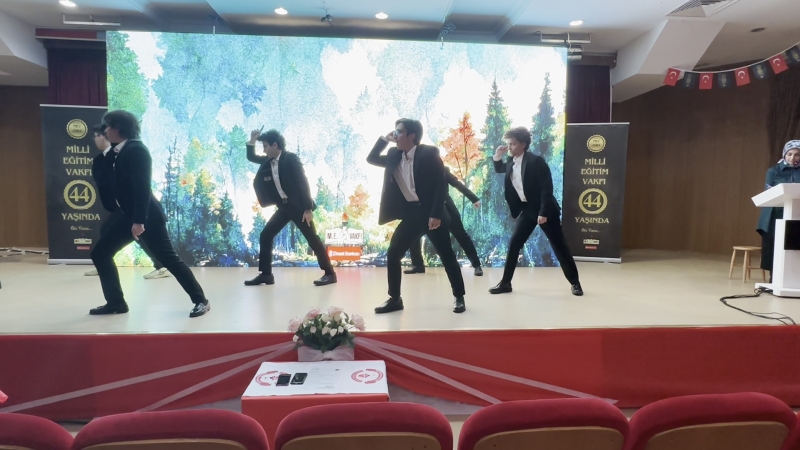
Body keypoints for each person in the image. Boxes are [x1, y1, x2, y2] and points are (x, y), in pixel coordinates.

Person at [89, 110, 210, 317]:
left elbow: (142, 188)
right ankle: (116, 303)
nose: (104, 131)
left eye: (107, 126)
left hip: (147, 217)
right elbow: (104, 178)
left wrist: (139, 221)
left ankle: (201, 301)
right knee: (100, 253)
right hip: (125, 216)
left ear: (119, 128)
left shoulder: (137, 150)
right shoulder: (116, 153)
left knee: (169, 259)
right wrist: (105, 153)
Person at [367, 118, 466, 314]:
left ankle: (459, 297)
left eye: (399, 131)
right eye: (395, 131)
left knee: (446, 255)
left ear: (412, 136)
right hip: (411, 213)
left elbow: (441, 185)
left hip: (431, 213)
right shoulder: (394, 155)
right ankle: (395, 299)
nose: (395, 135)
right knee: (393, 253)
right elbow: (371, 158)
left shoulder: (428, 153)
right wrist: (384, 139)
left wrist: (436, 214)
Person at [489, 126, 583, 296]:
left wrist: (543, 213)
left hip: (546, 209)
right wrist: (497, 156)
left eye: (512, 144)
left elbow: (547, 189)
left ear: (523, 144)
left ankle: (575, 283)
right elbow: (500, 169)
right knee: (514, 244)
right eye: (508, 144)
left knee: (559, 245)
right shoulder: (510, 161)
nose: (509, 147)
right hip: (527, 210)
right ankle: (505, 283)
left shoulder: (535, 161)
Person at [244, 128, 336, 287]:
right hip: (284, 207)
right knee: (266, 235)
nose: (264, 150)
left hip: (299, 208)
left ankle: (330, 274)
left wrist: (308, 209)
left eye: (265, 146)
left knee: (312, 239)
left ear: (275, 145)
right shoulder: (267, 160)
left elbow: (302, 182)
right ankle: (266, 275)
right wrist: (253, 139)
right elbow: (251, 157)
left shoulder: (290, 158)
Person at [84, 124, 171, 280]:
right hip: (120, 206)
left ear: (105, 136)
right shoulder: (103, 158)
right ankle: (103, 263)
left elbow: (138, 184)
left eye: (97, 136)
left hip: (133, 205)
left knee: (140, 235)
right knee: (106, 230)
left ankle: (162, 266)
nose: (95, 139)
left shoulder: (124, 154)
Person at [406, 168, 483, 276]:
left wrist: (474, 198)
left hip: (446, 209)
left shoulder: (440, 169)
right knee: (412, 235)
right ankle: (418, 265)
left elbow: (456, 184)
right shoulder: (413, 170)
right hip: (425, 210)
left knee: (461, 236)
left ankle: (477, 265)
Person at [757, 140, 800, 281]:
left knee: (794, 247)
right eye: (790, 154)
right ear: (784, 154)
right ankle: (774, 278)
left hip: (796, 213)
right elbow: (768, 193)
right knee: (775, 246)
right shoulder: (774, 171)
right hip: (775, 213)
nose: (792, 158)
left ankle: (793, 279)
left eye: (797, 154)